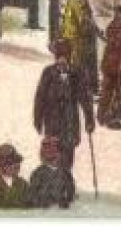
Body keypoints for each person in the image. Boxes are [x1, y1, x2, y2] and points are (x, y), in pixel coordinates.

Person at [34, 40, 95, 173]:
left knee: (68, 154)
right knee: (51, 153)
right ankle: (52, 183)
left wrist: (89, 119)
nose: (62, 60)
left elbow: (85, 99)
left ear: (69, 57)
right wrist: (37, 120)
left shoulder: (77, 73)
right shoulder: (48, 73)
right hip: (52, 122)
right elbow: (40, 97)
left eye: (65, 56)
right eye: (59, 56)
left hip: (70, 122)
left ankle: (66, 184)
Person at [61, 0, 99, 99]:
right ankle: (79, 91)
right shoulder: (79, 1)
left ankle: (79, 89)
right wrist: (94, 29)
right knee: (79, 64)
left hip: (72, 37)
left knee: (77, 64)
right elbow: (83, 21)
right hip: (77, 39)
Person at [97, 5, 121, 128]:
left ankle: (103, 116)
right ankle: (111, 118)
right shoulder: (120, 26)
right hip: (116, 63)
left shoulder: (114, 24)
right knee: (119, 91)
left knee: (108, 90)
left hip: (110, 62)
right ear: (119, 12)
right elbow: (118, 45)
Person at [26, 136, 76, 209]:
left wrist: (66, 201)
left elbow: (70, 192)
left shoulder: (65, 173)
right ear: (42, 155)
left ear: (60, 154)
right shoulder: (38, 173)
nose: (52, 155)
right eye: (48, 152)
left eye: (55, 152)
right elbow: (32, 194)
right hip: (42, 209)